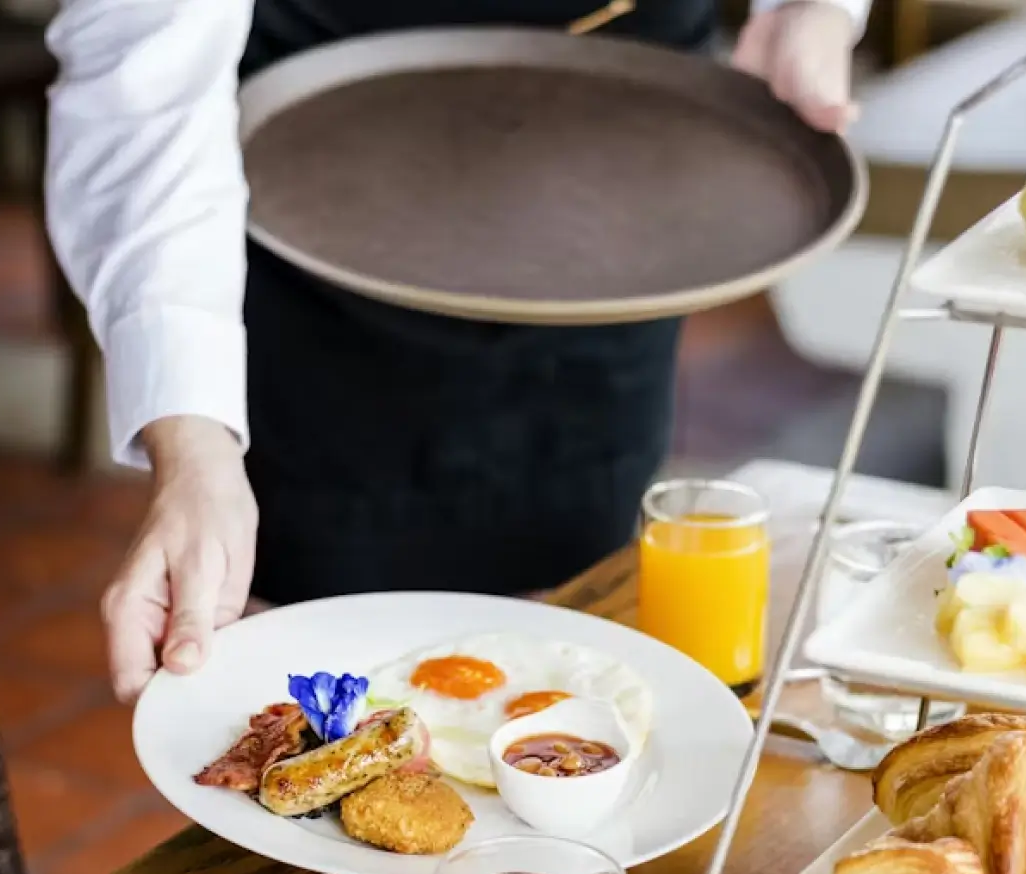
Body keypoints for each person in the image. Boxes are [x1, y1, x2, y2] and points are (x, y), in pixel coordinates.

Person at [46, 0, 871, 703]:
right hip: (319, 191)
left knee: (578, 638)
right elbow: (144, 81)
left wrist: (813, 11)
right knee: (320, 687)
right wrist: (195, 450)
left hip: (618, 173)